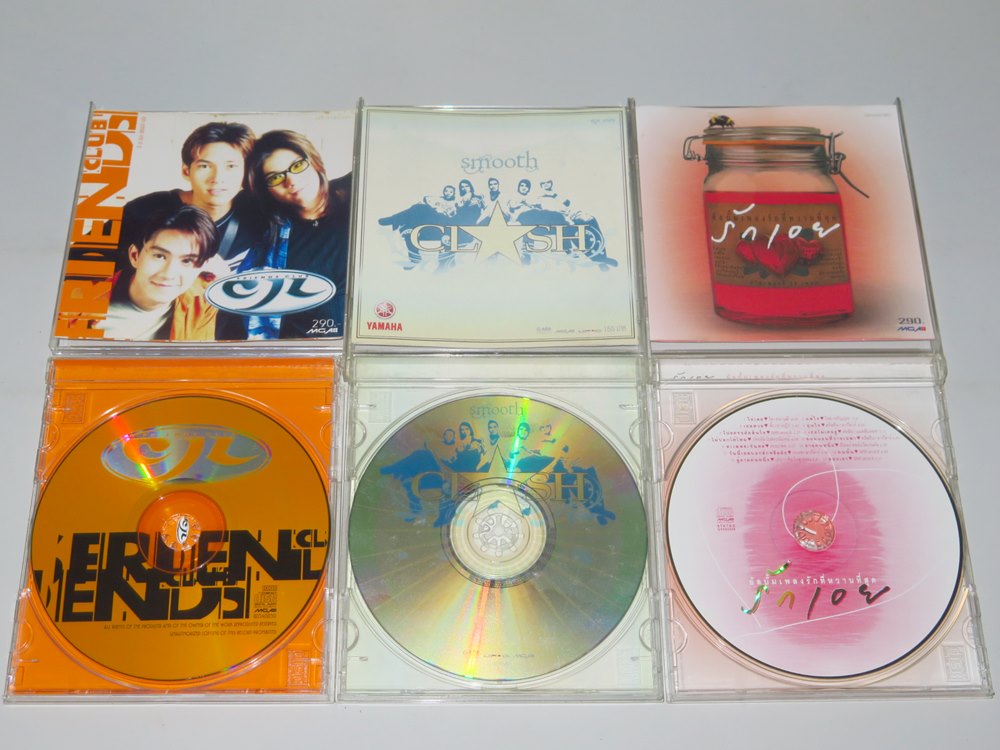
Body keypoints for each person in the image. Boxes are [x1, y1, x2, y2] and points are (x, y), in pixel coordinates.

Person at [242, 130, 351, 339]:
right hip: (303, 349)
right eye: (275, 177)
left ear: (314, 162)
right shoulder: (271, 235)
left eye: (297, 166)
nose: (290, 180)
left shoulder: (359, 196)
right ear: (266, 190)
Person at [116, 122, 264, 274]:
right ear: (186, 171)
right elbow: (99, 261)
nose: (217, 178)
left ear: (247, 173)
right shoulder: (142, 211)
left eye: (231, 166)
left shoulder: (258, 215)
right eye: (205, 166)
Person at [98, 206, 223, 340]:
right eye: (159, 256)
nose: (168, 274)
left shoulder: (203, 301)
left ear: (202, 266)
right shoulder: (86, 303)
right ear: (135, 256)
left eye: (187, 261)